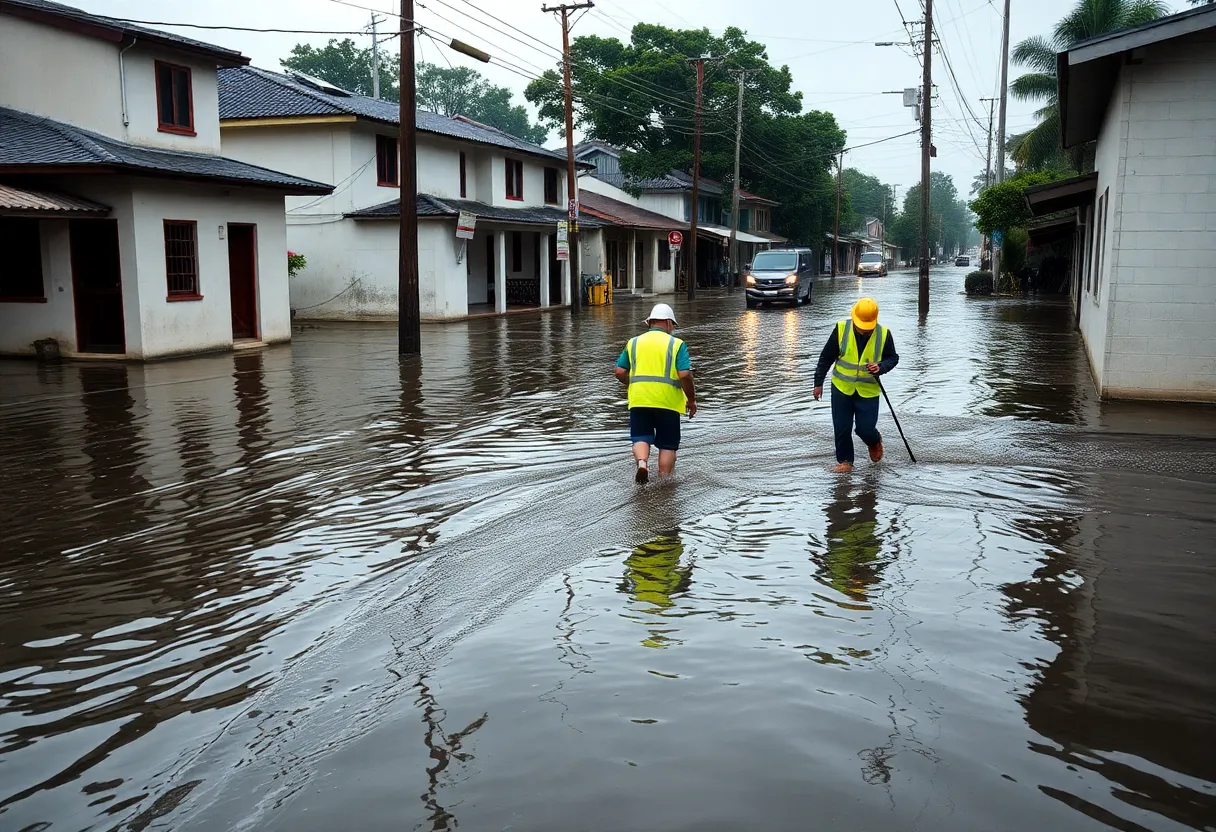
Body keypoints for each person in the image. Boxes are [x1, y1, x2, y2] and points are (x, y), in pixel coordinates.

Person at [813, 297, 899, 473]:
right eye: (862, 327)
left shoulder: (883, 334)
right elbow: (826, 357)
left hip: (868, 391)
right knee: (842, 427)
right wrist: (818, 382)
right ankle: (845, 461)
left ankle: (874, 441)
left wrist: (880, 367)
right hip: (841, 388)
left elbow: (893, 358)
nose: (865, 331)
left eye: (868, 328)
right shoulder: (841, 329)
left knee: (865, 429)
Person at [614, 303, 697, 484]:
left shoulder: (633, 342)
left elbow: (619, 372)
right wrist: (691, 399)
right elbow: (684, 375)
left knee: (640, 437)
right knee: (667, 445)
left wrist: (633, 384)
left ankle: (642, 464)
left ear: (650, 322)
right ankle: (664, 483)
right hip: (667, 402)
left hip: (639, 400)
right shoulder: (677, 344)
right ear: (668, 323)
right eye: (673, 326)